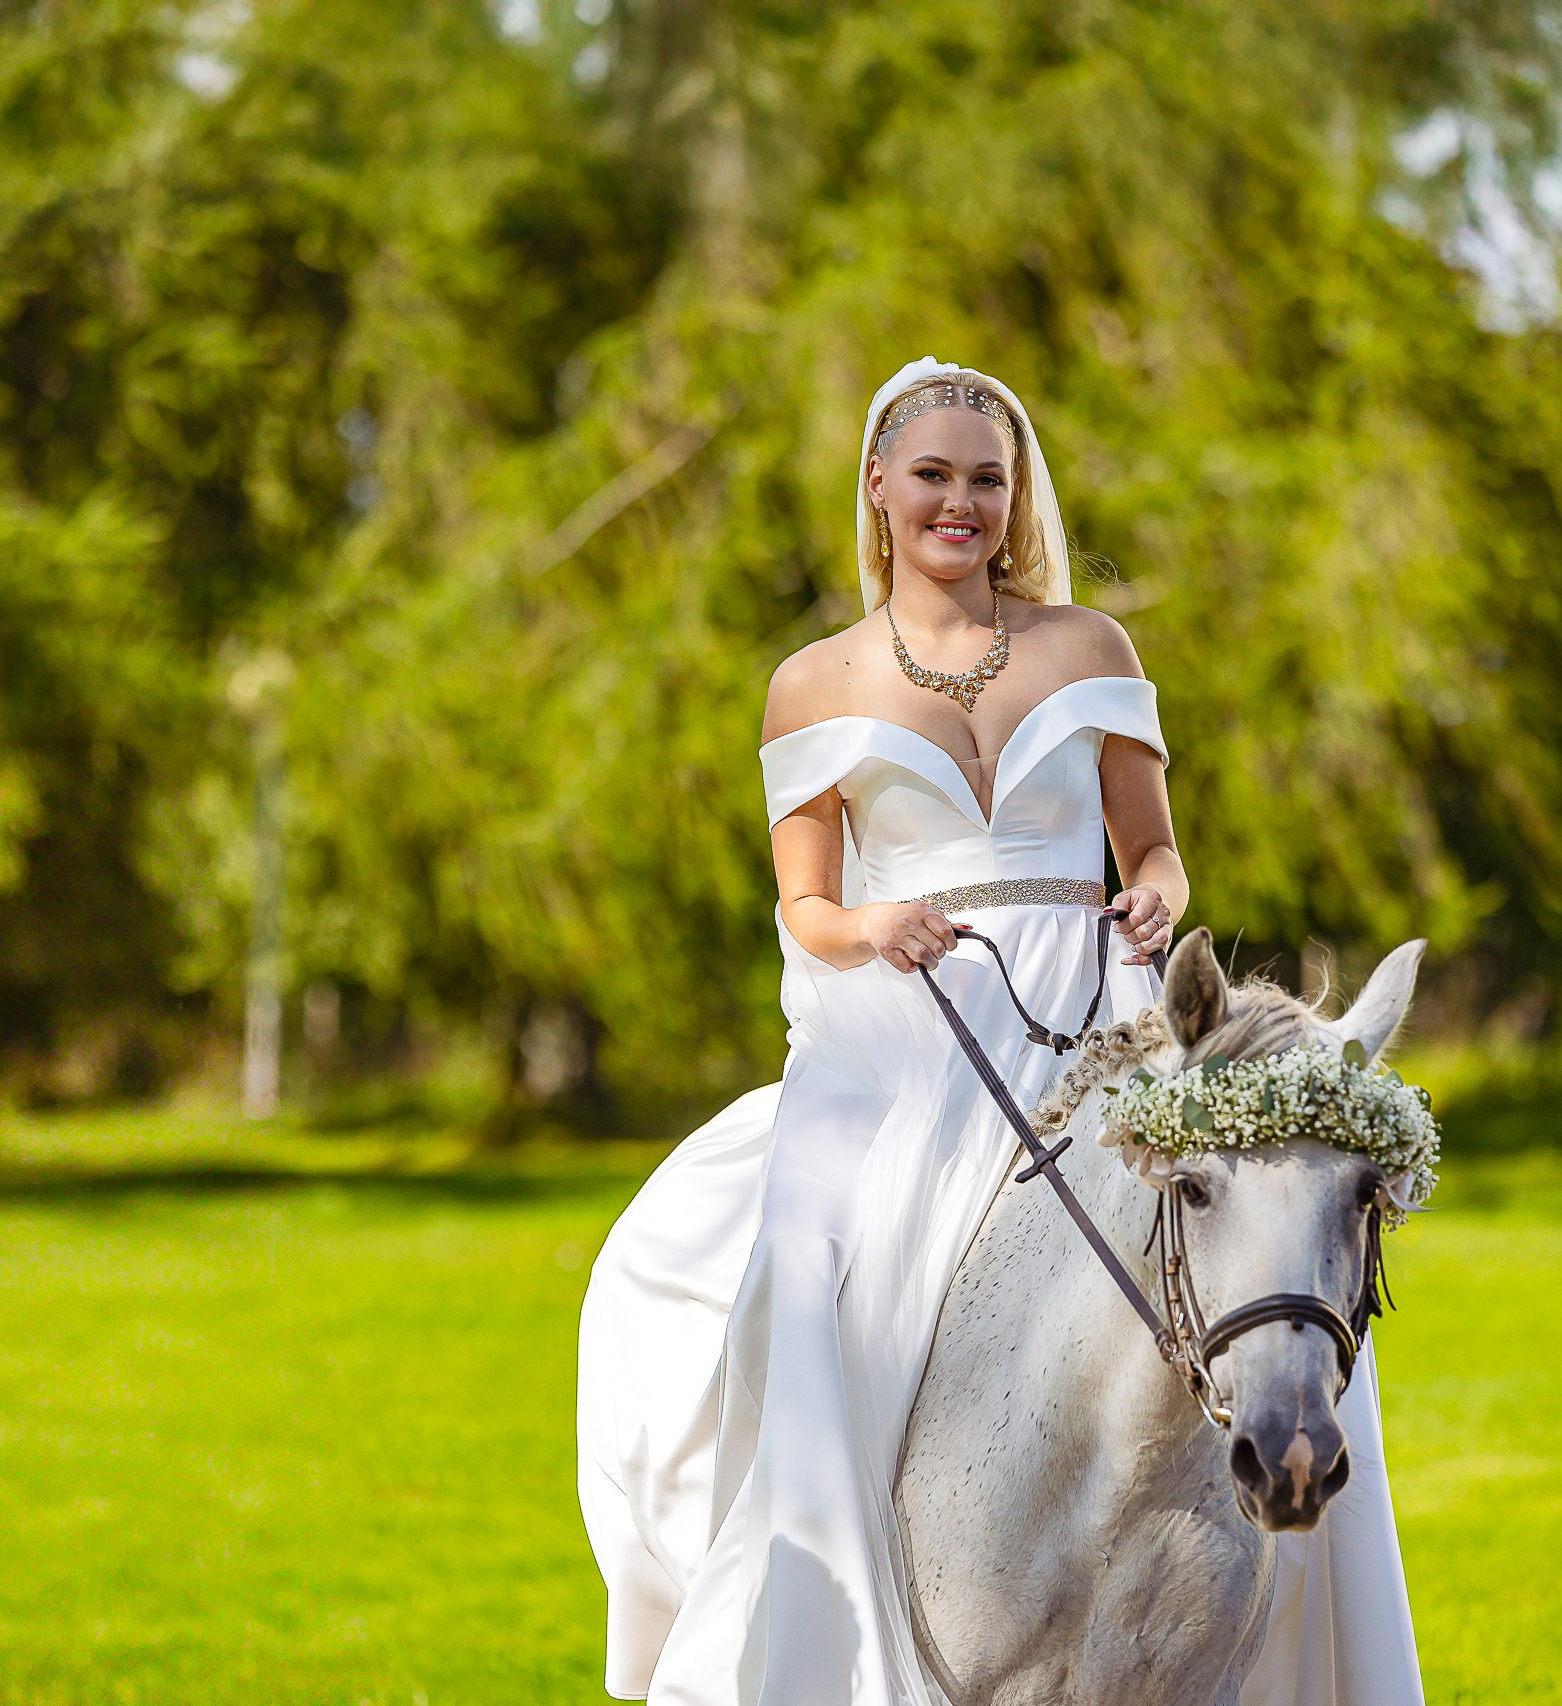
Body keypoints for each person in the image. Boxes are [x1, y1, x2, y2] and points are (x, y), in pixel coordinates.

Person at [575, 359, 1422, 1705]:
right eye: (933, 476)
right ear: (879, 486)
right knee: (797, 1279)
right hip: (899, 1037)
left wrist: (1149, 894)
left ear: (1016, 494)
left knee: (1270, 1261)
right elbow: (804, 898)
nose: (959, 502)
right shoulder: (812, 681)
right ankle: (796, 1642)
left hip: (1088, 1017)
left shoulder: (1090, 647)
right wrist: (874, 924)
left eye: (986, 477)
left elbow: (1155, 849)